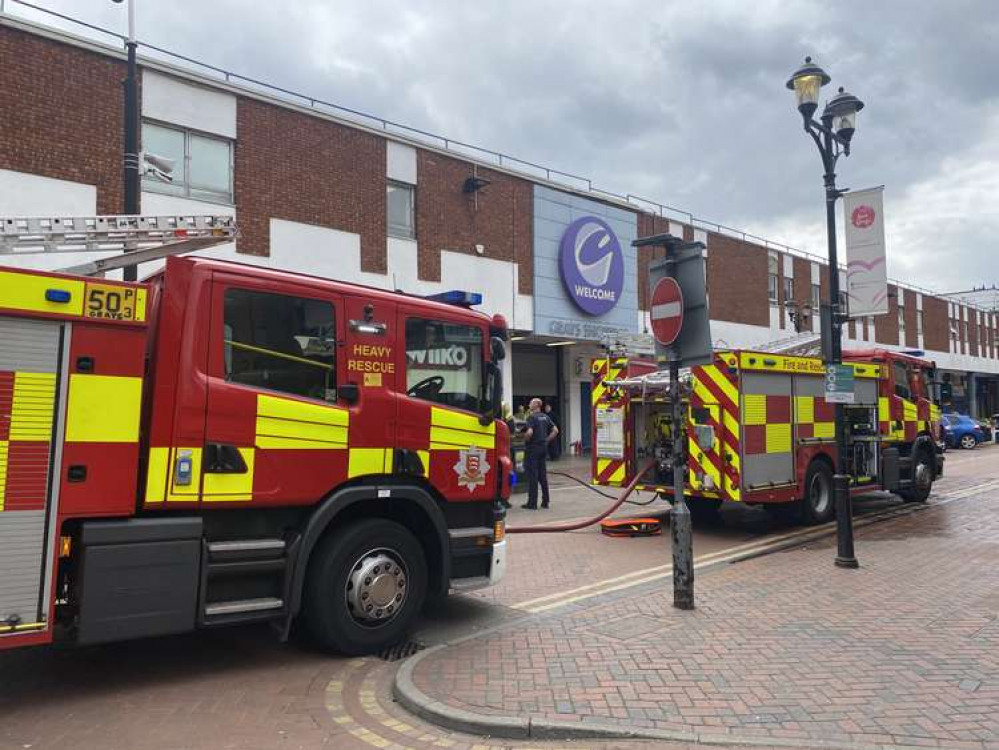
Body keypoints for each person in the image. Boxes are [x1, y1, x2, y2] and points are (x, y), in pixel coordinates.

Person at [521, 397, 558, 510]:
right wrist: (546, 440)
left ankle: (532, 503)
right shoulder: (545, 417)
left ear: (536, 405)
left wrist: (525, 439)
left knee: (533, 476)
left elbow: (529, 432)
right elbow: (555, 431)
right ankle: (545, 501)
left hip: (532, 449)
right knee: (542, 476)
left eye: (531, 403)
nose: (529, 404)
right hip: (543, 448)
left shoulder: (532, 417)